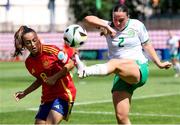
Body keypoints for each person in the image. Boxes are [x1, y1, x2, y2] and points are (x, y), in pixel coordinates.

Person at [75, 4, 172, 124]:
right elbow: (87, 19)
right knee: (121, 117)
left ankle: (85, 71)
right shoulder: (108, 25)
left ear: (128, 17)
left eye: (121, 20)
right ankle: (86, 70)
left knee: (114, 63)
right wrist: (106, 26)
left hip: (138, 68)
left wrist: (159, 63)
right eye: (115, 19)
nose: (117, 22)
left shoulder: (137, 25)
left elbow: (147, 45)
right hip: (121, 76)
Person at [13, 26, 76, 124]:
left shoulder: (51, 50)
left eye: (34, 40)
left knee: (49, 123)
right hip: (47, 97)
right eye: (28, 42)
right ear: (25, 45)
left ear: (38, 39)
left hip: (63, 94)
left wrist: (54, 78)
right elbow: (40, 80)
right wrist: (25, 93)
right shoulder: (29, 62)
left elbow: (71, 63)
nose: (32, 45)